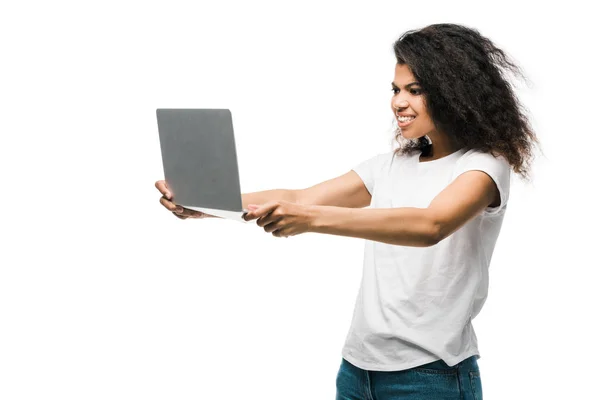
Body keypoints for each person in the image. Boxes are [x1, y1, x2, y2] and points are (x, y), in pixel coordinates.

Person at [156, 23, 538, 400]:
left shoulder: (484, 166)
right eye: (396, 90)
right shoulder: (388, 166)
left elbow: (429, 224)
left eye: (415, 91)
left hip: (431, 378)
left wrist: (311, 222)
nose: (399, 103)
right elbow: (302, 197)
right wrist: (205, 201)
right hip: (357, 372)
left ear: (454, 92)